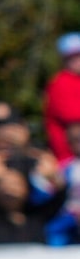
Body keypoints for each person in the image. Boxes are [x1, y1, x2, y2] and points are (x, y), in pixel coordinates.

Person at [48, 33, 80, 164]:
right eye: (71, 57)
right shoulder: (60, 83)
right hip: (69, 157)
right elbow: (72, 116)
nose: (77, 60)